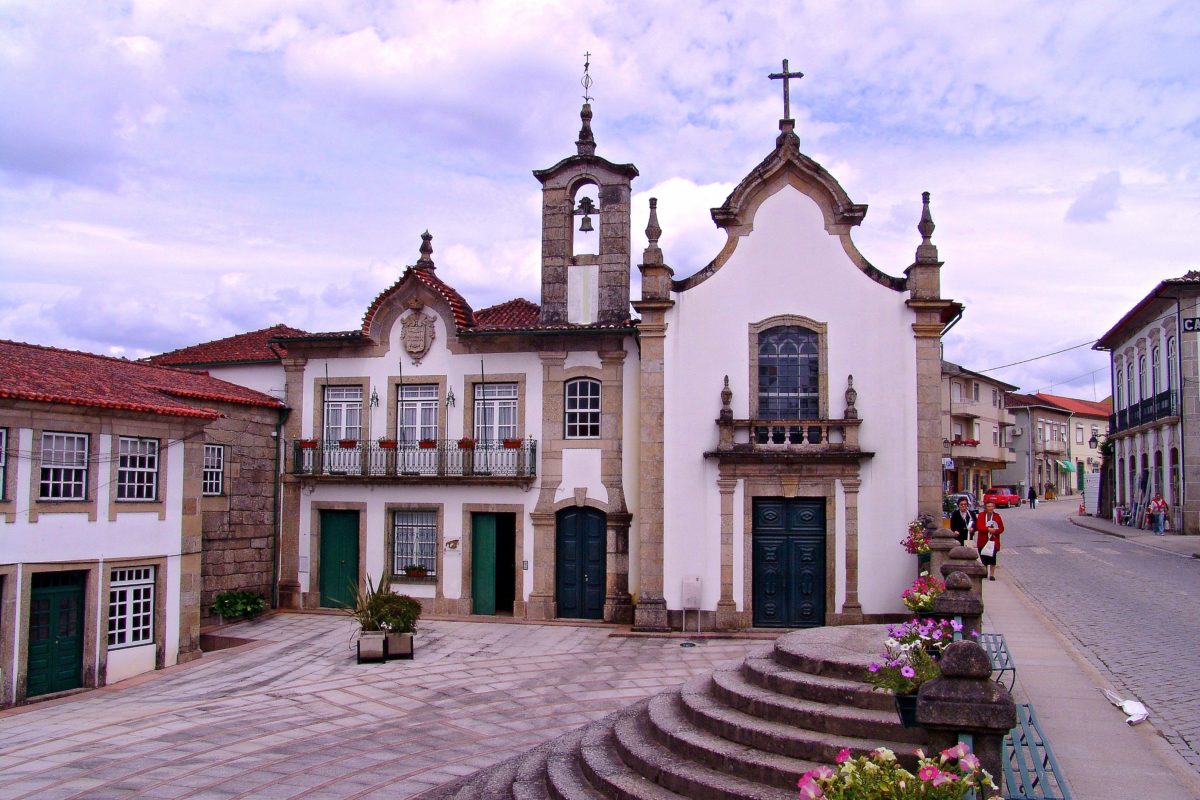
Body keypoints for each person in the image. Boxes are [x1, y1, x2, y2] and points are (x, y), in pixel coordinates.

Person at [975, 501, 1004, 581]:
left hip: (993, 540)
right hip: (983, 540)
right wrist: (988, 529)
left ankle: (992, 574)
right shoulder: (981, 515)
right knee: (984, 558)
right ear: (985, 507)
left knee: (992, 558)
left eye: (992, 506)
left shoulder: (997, 516)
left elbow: (1001, 528)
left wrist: (995, 531)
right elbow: (979, 527)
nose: (990, 508)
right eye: (989, 506)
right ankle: (985, 572)